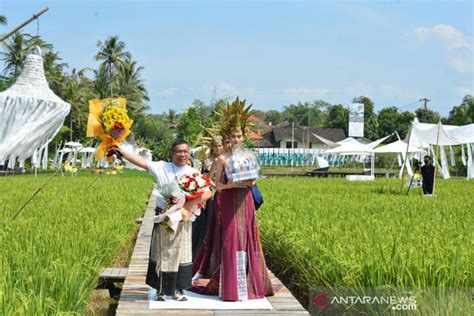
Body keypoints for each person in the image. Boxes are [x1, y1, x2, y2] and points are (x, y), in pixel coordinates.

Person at [191, 98, 273, 301]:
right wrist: (228, 186)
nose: (236, 139)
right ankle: (230, 288)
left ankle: (247, 285)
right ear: (227, 137)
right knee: (230, 241)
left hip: (245, 203)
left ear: (243, 137)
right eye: (232, 136)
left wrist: (247, 183)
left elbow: (253, 181)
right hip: (228, 202)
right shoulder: (222, 159)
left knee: (247, 240)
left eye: (239, 136)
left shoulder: (249, 156)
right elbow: (212, 182)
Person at [108, 140, 212, 301]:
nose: (182, 154)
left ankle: (178, 289)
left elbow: (208, 192)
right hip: (164, 216)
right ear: (172, 153)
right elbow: (140, 162)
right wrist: (121, 151)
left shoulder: (193, 172)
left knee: (181, 252)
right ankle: (161, 290)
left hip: (183, 217)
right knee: (162, 252)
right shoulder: (161, 167)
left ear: (188, 153)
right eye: (178, 151)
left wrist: (190, 205)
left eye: (185, 151)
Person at [191, 136, 224, 259]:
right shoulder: (206, 161)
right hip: (209, 192)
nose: (218, 148)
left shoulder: (225, 159)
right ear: (212, 147)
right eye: (215, 146)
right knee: (207, 222)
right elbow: (203, 178)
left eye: (220, 145)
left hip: (224, 192)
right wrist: (215, 187)